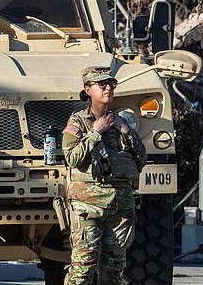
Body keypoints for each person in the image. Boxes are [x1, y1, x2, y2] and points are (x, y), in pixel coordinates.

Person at [61, 66, 147, 285]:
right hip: (88, 207)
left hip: (120, 206)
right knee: (82, 269)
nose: (108, 88)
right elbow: (71, 158)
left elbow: (141, 160)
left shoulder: (120, 121)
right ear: (88, 90)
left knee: (114, 270)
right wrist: (95, 133)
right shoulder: (78, 122)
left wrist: (126, 131)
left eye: (111, 84)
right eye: (102, 85)